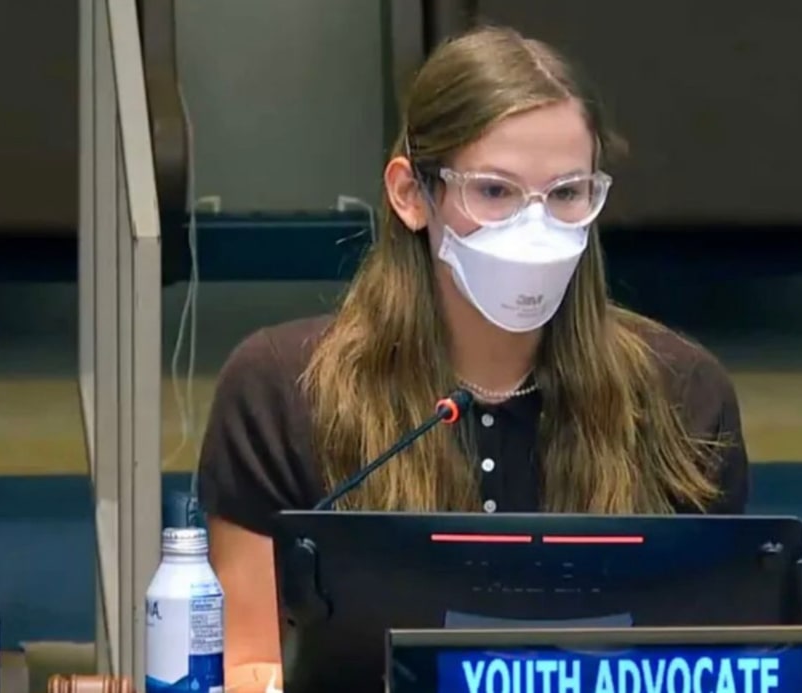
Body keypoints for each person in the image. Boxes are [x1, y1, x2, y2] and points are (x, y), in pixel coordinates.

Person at [197, 25, 749, 693]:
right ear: (410, 194)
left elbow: (719, 664)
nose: (535, 227)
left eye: (567, 194)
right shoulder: (280, 388)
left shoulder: (682, 392)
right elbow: (245, 670)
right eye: (495, 192)